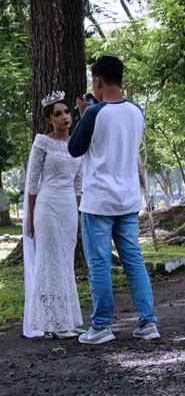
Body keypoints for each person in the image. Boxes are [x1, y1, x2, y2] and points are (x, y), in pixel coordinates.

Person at [68, 56, 160, 344]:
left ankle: (101, 326)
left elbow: (74, 148)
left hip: (98, 201)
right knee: (133, 261)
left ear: (97, 81)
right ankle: (148, 322)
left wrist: (84, 113)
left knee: (99, 264)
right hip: (128, 199)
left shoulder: (95, 113)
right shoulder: (136, 111)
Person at [22, 91, 85, 339]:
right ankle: (51, 322)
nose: (64, 117)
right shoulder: (42, 142)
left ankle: (65, 319)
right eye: (58, 114)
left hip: (69, 208)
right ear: (49, 120)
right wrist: (30, 216)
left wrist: (80, 217)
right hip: (46, 207)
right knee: (49, 263)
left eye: (67, 112)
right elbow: (33, 183)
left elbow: (78, 185)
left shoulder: (77, 144)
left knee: (65, 263)